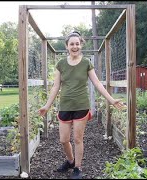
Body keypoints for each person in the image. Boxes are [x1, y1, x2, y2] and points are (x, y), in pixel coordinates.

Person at [38, 31, 125, 179]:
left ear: (81, 45)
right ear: (67, 46)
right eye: (71, 44)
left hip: (81, 106)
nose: (75, 46)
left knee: (78, 139)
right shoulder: (61, 64)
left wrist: (111, 100)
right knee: (63, 139)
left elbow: (97, 83)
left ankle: (78, 168)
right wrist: (47, 106)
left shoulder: (86, 63)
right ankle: (70, 161)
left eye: (77, 44)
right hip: (65, 106)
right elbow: (55, 86)